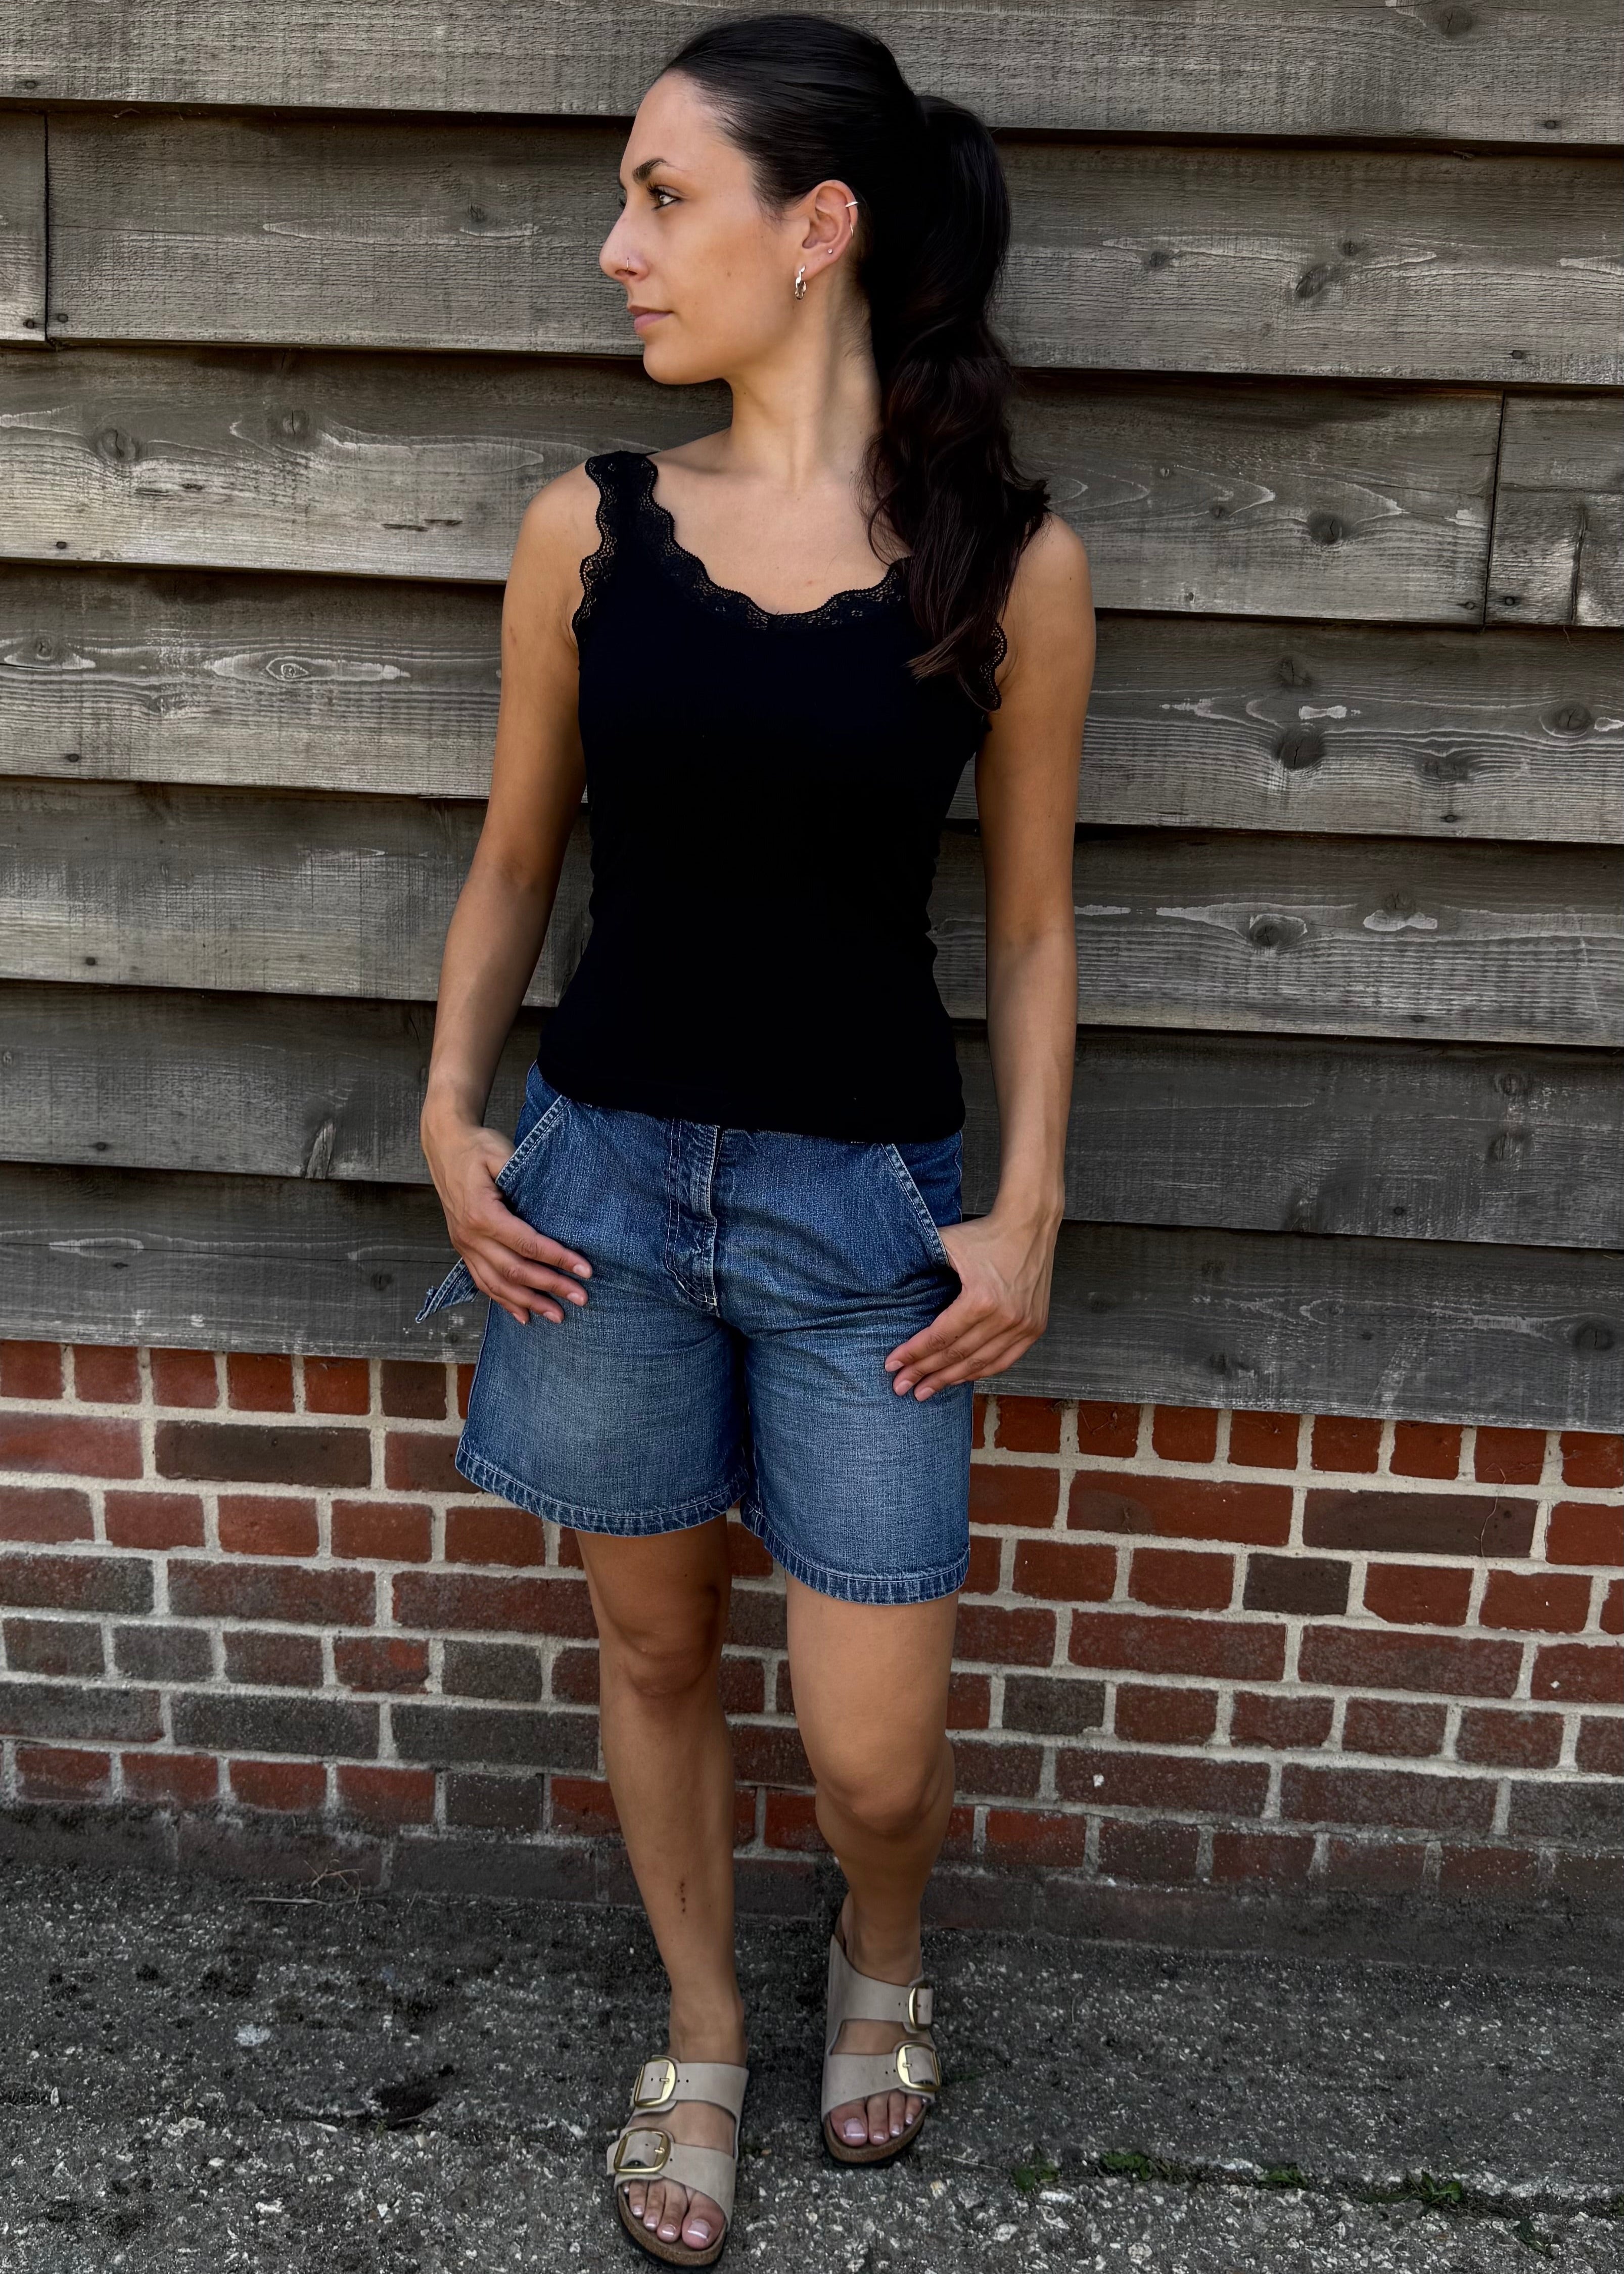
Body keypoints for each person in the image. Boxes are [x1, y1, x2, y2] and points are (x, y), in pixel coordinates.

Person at [414, 12, 1093, 2263]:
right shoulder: (585, 532)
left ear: (819, 231)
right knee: (655, 1658)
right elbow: (518, 864)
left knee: (876, 1748)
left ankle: (875, 1959)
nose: (618, 250)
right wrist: (448, 1113)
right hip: (600, 1196)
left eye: (660, 196)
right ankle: (702, 2028)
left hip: (860, 1225)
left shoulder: (1006, 563)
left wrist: (1026, 1209)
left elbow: (1032, 923)